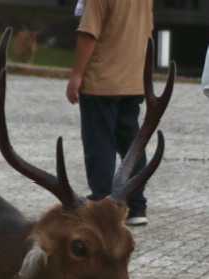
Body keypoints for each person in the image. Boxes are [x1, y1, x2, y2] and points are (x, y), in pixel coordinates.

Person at [66, 0, 154, 226]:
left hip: (102, 81)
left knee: (99, 145)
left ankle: (102, 203)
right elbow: (147, 31)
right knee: (131, 146)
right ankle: (137, 206)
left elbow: (88, 33)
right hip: (132, 81)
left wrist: (76, 75)